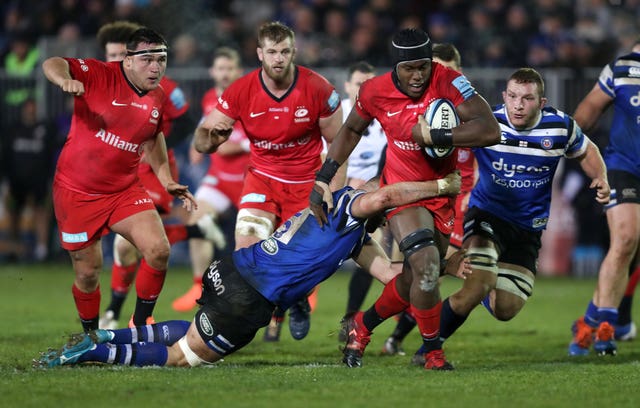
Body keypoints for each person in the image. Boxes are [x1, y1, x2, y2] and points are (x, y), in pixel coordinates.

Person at [35, 173, 469, 368]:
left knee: (191, 331)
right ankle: (92, 354)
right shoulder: (349, 205)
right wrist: (440, 187)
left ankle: (107, 335)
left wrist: (443, 265)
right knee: (184, 357)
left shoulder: (354, 237)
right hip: (250, 298)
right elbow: (383, 196)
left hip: (230, 272)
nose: (390, 207)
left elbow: (396, 278)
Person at [310, 27, 501, 370]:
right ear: (395, 66)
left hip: (442, 191)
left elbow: (490, 129)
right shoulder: (374, 91)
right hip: (401, 193)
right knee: (427, 265)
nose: (417, 75)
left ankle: (362, 326)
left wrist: (438, 135)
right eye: (409, 68)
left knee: (415, 279)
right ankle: (433, 353)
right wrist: (324, 177)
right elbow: (352, 129)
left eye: (423, 67)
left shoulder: (448, 80)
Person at [418, 68, 608, 365]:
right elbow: (444, 150)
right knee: (477, 284)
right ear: (504, 96)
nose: (519, 105)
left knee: (506, 309)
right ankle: (428, 351)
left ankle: (485, 281)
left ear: (541, 102)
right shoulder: (487, 124)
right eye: (514, 97)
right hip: (486, 216)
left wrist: (601, 178)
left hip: (528, 228)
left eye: (528, 98)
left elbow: (587, 150)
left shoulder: (559, 127)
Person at [194, 21, 344, 342]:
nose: (278, 59)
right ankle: (248, 323)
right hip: (261, 181)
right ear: (260, 53)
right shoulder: (241, 90)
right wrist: (211, 139)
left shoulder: (318, 89)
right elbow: (202, 141)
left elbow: (339, 147)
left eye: (285, 52)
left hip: (306, 185)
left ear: (294, 52)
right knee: (247, 253)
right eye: (272, 52)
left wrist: (332, 188)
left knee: (300, 263)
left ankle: (298, 300)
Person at [42, 27, 197, 332]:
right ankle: (89, 336)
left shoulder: (160, 95)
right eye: (148, 59)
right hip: (77, 193)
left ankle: (139, 326)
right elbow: (53, 62)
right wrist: (64, 80)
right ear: (127, 60)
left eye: (162, 60)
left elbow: (154, 137)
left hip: (124, 190)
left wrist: (165, 179)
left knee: (158, 249)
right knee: (88, 274)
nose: (156, 67)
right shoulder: (100, 74)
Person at [93, 21, 214, 330]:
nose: (115, 60)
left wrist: (151, 149)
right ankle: (194, 232)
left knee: (127, 245)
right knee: (113, 248)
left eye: (120, 54)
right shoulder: (97, 87)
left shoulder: (163, 89)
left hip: (150, 173)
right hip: (110, 175)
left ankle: (124, 314)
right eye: (110, 54)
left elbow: (185, 122)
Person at [379, 42, 478, 356]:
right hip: (415, 200)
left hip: (458, 201)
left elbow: (487, 155)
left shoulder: (468, 111)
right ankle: (387, 332)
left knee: (429, 271)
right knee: (414, 270)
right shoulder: (415, 111)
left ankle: (407, 340)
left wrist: (473, 196)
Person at [569, 38, 640, 356]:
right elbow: (588, 109)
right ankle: (608, 328)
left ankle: (587, 322)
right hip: (623, 167)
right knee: (626, 239)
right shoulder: (622, 68)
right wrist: (568, 141)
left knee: (630, 251)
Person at [172, 47, 250, 313]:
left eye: (230, 68)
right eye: (220, 68)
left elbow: (235, 143)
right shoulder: (209, 98)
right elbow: (206, 129)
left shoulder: (249, 97)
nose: (225, 73)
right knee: (196, 219)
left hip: (249, 181)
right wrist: (198, 143)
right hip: (219, 180)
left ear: (239, 71)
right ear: (212, 71)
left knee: (258, 241)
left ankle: (292, 295)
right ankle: (198, 285)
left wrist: (228, 144)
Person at [338, 61, 389, 333]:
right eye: (359, 83)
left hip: (373, 198)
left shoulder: (386, 114)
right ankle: (286, 310)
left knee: (371, 249)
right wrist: (346, 184)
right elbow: (324, 159)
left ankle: (350, 316)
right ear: (347, 86)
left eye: (369, 83)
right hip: (336, 195)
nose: (364, 89)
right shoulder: (338, 116)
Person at [1, 98, 57, 262]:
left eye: (33, 108)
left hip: (39, 181)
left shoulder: (44, 129)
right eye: (28, 108)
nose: (31, 111)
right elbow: (6, 157)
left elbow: (49, 157)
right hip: (16, 181)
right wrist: (6, 180)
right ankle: (13, 249)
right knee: (13, 214)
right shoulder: (13, 129)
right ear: (23, 109)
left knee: (42, 212)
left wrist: (49, 179)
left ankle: (42, 251)